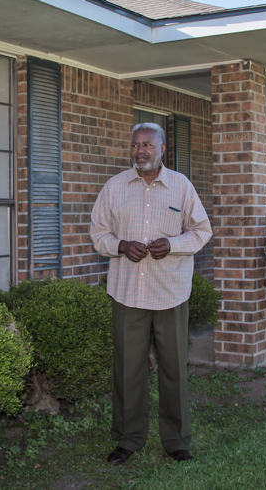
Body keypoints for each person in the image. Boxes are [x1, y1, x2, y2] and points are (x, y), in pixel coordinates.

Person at [90, 122, 212, 465]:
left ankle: (176, 441)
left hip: (170, 291)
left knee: (174, 368)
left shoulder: (181, 186)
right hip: (127, 293)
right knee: (128, 369)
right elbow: (98, 233)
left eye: (147, 145)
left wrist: (173, 245)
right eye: (135, 145)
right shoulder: (114, 187)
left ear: (161, 150)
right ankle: (128, 439)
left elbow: (202, 231)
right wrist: (120, 245)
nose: (139, 150)